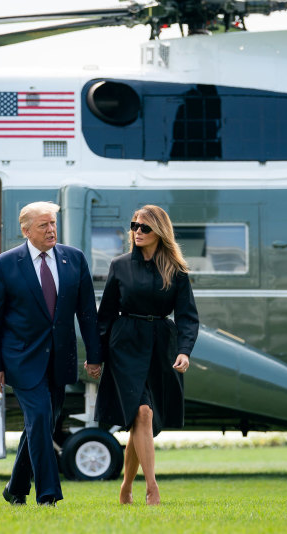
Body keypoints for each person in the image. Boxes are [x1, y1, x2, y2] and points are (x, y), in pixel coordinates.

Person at [0, 201, 102, 507]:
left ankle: (15, 487)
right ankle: (48, 494)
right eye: (43, 226)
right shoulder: (5, 264)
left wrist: (94, 354)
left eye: (53, 224)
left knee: (43, 424)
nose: (51, 230)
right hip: (21, 360)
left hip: (60, 359)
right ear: (26, 230)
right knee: (39, 417)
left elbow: (87, 312)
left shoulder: (74, 259)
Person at [95, 205, 199, 506]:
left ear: (159, 232)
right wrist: (96, 357)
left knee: (140, 421)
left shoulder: (176, 270)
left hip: (160, 346)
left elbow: (188, 316)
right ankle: (152, 487)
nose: (137, 232)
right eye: (134, 226)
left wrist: (184, 350)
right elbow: (105, 316)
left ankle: (126, 486)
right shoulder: (120, 265)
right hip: (125, 344)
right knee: (143, 413)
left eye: (144, 228)